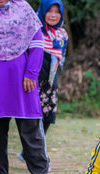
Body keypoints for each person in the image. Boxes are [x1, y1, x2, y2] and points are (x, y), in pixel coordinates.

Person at [0, 0, 52, 174]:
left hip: (23, 78)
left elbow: (37, 43)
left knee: (30, 124)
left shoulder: (23, 9)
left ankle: (41, 173)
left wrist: (31, 73)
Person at [17, 0, 68, 164]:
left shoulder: (62, 34)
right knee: (34, 119)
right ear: (43, 11)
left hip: (51, 82)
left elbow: (61, 58)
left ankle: (27, 153)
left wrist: (53, 80)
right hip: (35, 81)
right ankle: (41, 157)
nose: (53, 15)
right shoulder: (34, 31)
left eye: (57, 11)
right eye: (50, 11)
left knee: (47, 119)